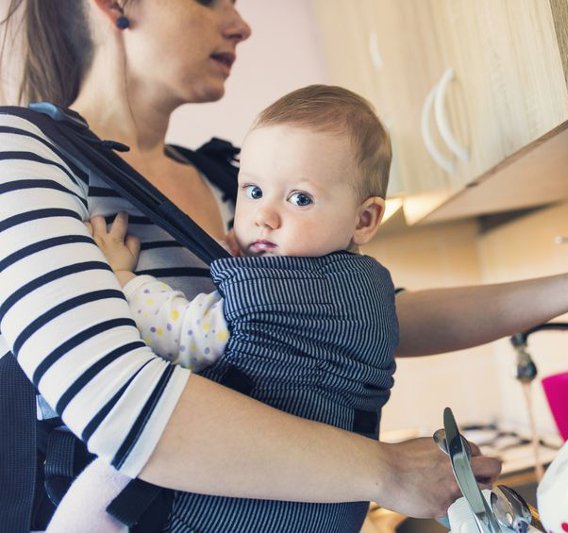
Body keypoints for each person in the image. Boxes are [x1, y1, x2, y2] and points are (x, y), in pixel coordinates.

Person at [0, 1, 568, 531]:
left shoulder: (237, 181)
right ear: (115, 3)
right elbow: (119, 402)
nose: (242, 21)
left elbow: (375, 315)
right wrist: (385, 469)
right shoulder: (25, 154)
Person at [49, 83, 411, 531]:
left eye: (300, 199)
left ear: (364, 219)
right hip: (330, 505)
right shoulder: (369, 289)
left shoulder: (268, 299)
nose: (264, 216)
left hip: (233, 498)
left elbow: (183, 333)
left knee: (102, 487)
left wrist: (123, 279)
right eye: (254, 191)